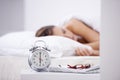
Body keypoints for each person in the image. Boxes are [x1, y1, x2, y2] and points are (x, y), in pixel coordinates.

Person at [35, 18, 100, 56]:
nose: (69, 36)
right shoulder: (66, 46)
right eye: (64, 38)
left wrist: (83, 48)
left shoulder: (72, 24)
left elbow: (103, 44)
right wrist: (92, 52)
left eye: (64, 31)